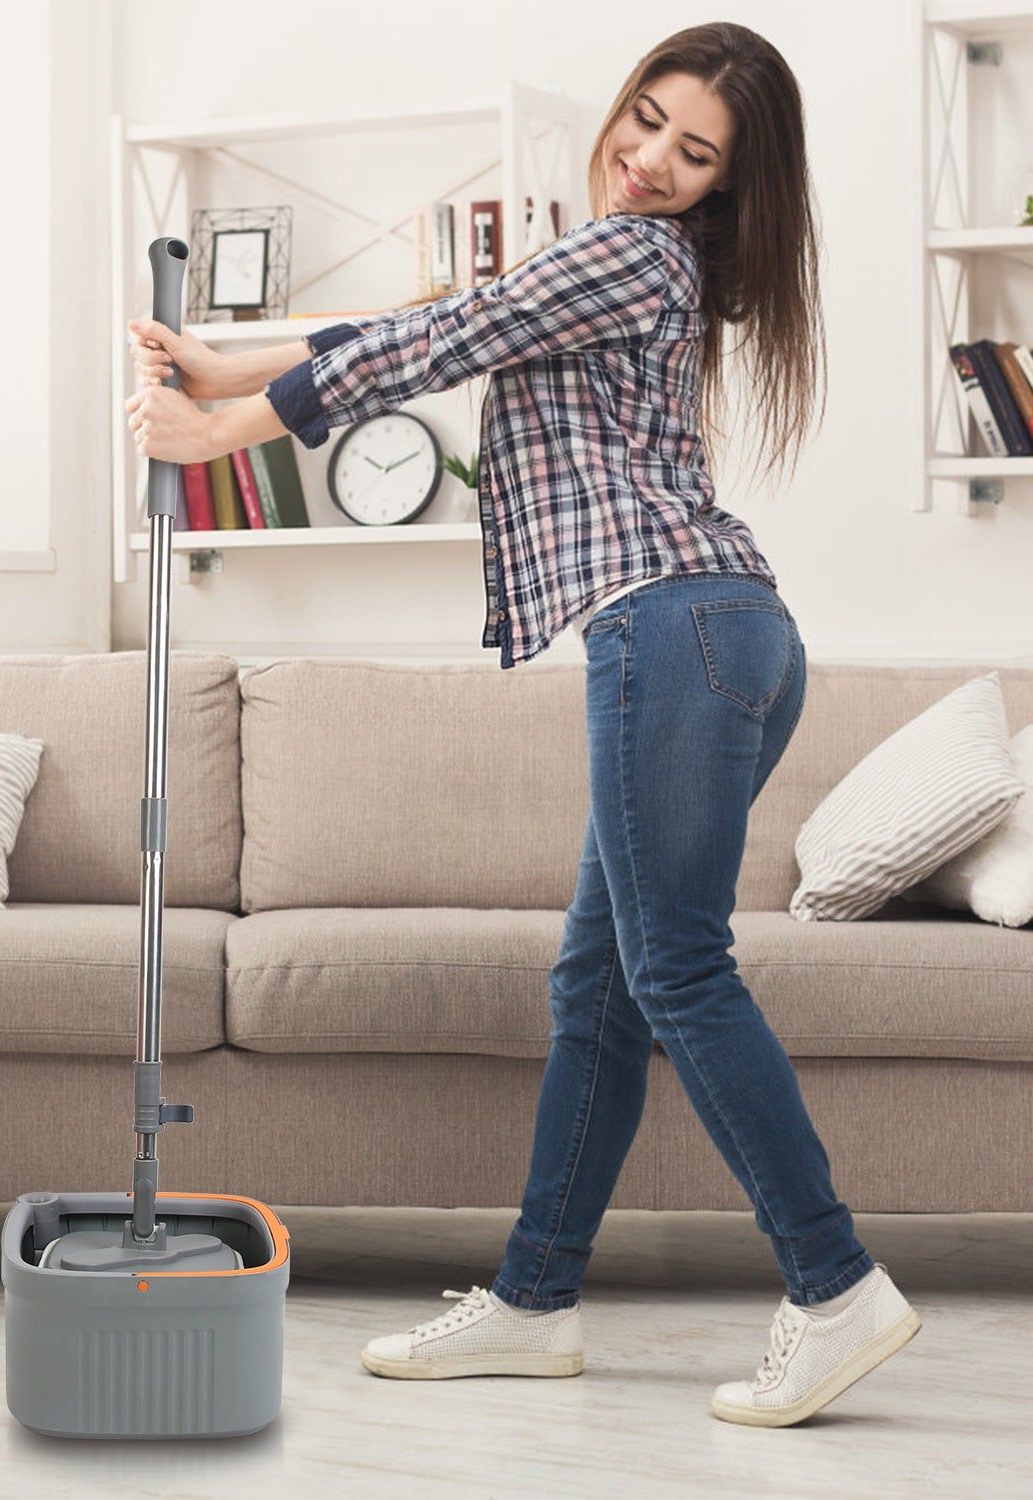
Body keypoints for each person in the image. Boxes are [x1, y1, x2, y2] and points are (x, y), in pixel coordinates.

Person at [123, 21, 922, 1430]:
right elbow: (444, 325)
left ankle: (836, 1282)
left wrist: (224, 427)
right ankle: (534, 1301)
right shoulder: (625, 258)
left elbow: (446, 337)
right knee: (599, 992)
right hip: (710, 631)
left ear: (734, 183)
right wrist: (220, 354)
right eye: (650, 121)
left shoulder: (626, 250)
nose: (652, 159)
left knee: (673, 972)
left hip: (674, 626)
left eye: (696, 152)